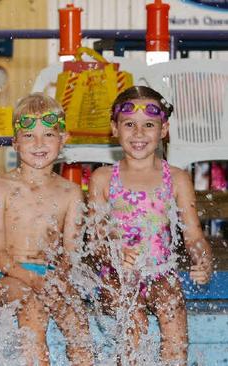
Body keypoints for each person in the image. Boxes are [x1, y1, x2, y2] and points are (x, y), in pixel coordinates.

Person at [88, 86, 213, 364]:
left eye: (149, 125)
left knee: (172, 306)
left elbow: (193, 235)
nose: (139, 133)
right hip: (116, 276)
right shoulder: (103, 178)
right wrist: (114, 255)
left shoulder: (177, 179)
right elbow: (95, 242)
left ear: (164, 129)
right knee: (133, 319)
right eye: (129, 124)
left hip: (160, 272)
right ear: (114, 128)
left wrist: (204, 259)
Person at [0, 93, 93, 365]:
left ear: (63, 139)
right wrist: (33, 280)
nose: (39, 143)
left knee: (77, 322)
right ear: (15, 143)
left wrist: (57, 281)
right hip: (9, 277)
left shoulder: (71, 193)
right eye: (29, 136)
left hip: (53, 276)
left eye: (48, 135)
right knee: (32, 309)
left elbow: (71, 252)